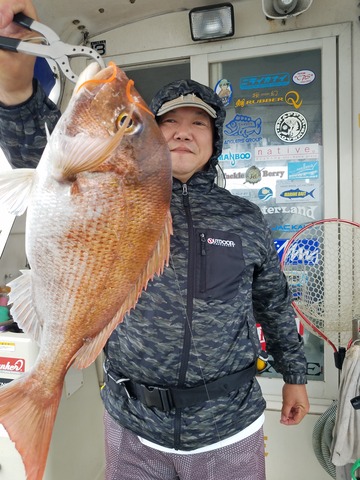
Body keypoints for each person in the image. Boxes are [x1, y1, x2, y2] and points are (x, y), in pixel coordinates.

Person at [0, 1, 310, 479]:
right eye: (168, 122)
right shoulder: (111, 183)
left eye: (199, 124)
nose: (184, 132)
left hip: (230, 427)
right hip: (132, 426)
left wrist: (295, 376)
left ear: (214, 143)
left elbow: (273, 300)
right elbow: (36, 151)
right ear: (151, 140)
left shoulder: (245, 216)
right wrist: (16, 79)